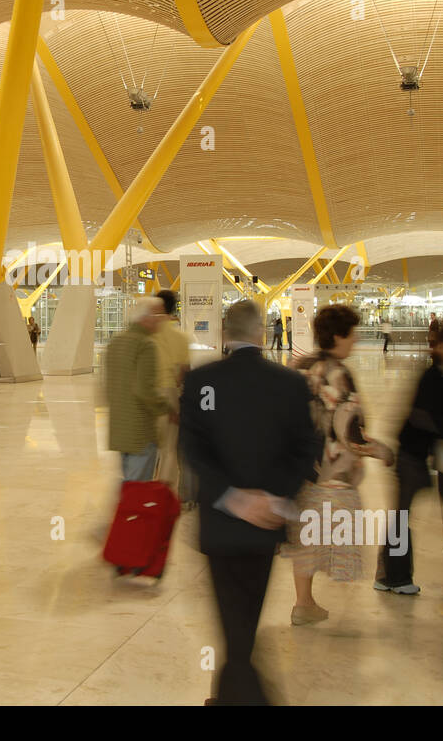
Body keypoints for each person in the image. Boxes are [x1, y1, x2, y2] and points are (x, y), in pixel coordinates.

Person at [178, 300, 317, 704]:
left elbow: (192, 449)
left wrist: (233, 497)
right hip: (267, 526)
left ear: (225, 333)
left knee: (231, 618)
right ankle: (241, 695)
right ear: (261, 335)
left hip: (220, 525)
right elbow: (306, 449)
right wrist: (275, 498)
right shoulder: (289, 384)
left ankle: (235, 695)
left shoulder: (202, 382)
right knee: (247, 616)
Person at [288, 305, 394, 624]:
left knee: (305, 537)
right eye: (352, 333)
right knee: (340, 541)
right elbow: (350, 433)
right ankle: (345, 611)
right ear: (338, 336)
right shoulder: (338, 373)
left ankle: (303, 603)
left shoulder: (298, 366)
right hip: (333, 472)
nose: (356, 339)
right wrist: (382, 451)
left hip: (301, 469)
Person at [378, 322, 443, 592]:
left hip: (429, 453)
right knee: (400, 515)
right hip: (411, 453)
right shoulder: (433, 377)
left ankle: (387, 574)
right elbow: (423, 416)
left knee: (403, 513)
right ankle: (394, 577)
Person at [104, 297, 172, 482]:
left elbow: (107, 389)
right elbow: (144, 390)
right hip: (140, 432)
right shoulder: (146, 344)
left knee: (129, 486)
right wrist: (166, 408)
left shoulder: (115, 343)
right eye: (158, 314)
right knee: (138, 493)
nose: (161, 319)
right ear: (146, 318)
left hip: (119, 430)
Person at [152, 290, 192, 497]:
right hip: (169, 393)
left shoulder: (148, 334)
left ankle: (145, 489)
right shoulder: (180, 337)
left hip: (147, 393)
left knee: (148, 447)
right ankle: (164, 494)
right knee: (169, 447)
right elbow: (184, 371)